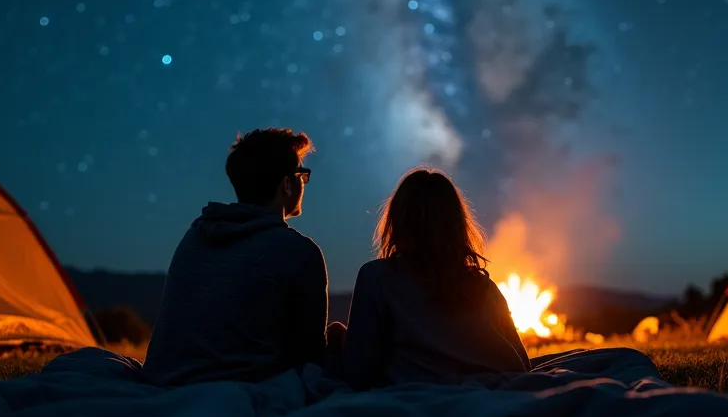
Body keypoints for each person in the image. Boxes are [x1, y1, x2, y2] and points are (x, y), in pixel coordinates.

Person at [142, 127, 338, 386]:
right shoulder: (300, 251)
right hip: (246, 387)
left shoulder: (196, 234)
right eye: (302, 175)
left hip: (166, 381)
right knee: (338, 336)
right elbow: (309, 355)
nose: (304, 182)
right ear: (287, 185)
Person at [340, 167, 531, 390]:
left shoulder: (377, 278)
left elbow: (358, 373)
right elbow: (522, 364)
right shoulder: (484, 286)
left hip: (419, 401)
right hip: (493, 396)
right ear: (457, 225)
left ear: (398, 222)